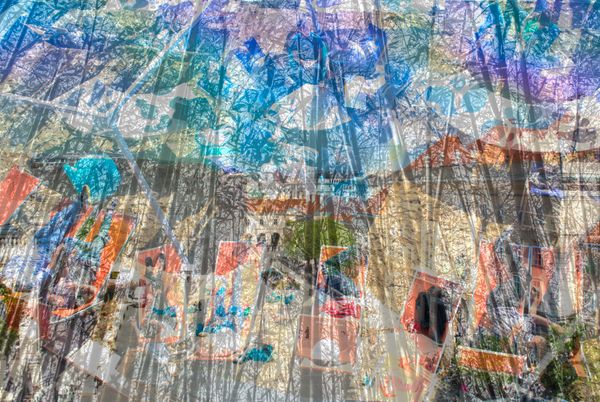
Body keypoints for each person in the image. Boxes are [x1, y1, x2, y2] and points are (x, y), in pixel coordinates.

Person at [46, 198, 118, 309]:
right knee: (100, 237)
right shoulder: (74, 302)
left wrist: (66, 260)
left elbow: (62, 273)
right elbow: (94, 290)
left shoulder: (53, 289)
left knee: (78, 236)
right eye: (59, 303)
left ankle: (95, 208)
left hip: (77, 259)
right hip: (90, 262)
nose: (59, 302)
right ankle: (109, 212)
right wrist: (77, 286)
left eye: (55, 301)